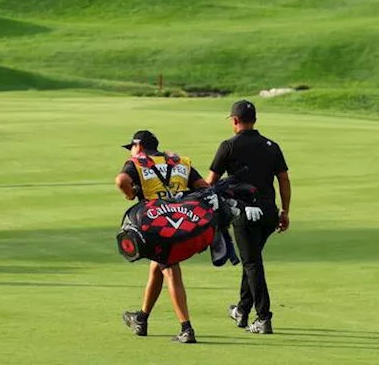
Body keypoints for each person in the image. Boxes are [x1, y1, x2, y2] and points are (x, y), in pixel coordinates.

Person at [117, 130, 209, 344]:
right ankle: (141, 318)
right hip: (180, 220)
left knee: (170, 269)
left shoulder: (137, 162)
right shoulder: (179, 162)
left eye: (131, 146)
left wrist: (131, 195)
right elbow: (205, 188)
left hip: (156, 225)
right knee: (157, 268)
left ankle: (186, 328)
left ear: (138, 145)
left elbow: (121, 180)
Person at [207, 100, 291, 335]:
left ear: (235, 120)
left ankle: (263, 318)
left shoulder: (228, 146)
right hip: (269, 214)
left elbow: (210, 181)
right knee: (250, 259)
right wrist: (285, 210)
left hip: (244, 214)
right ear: (254, 119)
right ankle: (242, 311)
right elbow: (283, 179)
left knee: (252, 263)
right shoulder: (271, 146)